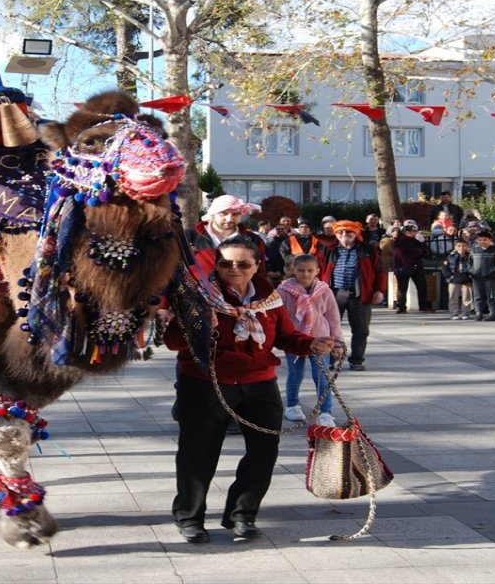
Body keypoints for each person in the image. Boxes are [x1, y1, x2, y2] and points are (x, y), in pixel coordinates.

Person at [163, 235, 333, 543]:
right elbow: (173, 341)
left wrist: (311, 343)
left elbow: (286, 336)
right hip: (206, 384)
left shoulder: (270, 297)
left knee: (264, 452)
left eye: (243, 263)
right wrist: (197, 323)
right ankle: (190, 517)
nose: (235, 269)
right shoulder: (198, 295)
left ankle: (242, 514)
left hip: (259, 383)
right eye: (226, 263)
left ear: (256, 266)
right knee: (197, 454)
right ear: (217, 265)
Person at [277, 254, 342, 426]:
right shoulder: (282, 291)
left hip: (321, 338)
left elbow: (333, 317)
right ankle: (292, 405)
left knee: (322, 374)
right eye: (301, 270)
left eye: (310, 270)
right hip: (295, 339)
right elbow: (277, 317)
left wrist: (337, 342)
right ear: (293, 270)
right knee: (295, 372)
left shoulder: (324, 291)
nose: (305, 274)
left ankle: (326, 411)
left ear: (317, 271)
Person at [317, 220, 385, 372]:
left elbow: (380, 270)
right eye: (340, 232)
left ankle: (356, 360)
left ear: (356, 233)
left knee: (361, 329)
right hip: (333, 293)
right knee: (330, 329)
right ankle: (330, 358)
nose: (344, 235)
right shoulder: (328, 249)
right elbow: (318, 270)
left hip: (360, 294)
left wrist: (379, 290)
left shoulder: (368, 250)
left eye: (348, 232)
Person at [186, 195, 267, 275]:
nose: (229, 219)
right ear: (213, 214)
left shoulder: (254, 240)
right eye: (223, 214)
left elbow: (260, 273)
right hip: (199, 287)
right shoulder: (189, 237)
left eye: (235, 214)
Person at [393, 222, 433, 313]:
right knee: (402, 288)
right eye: (413, 231)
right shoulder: (400, 241)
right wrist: (408, 263)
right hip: (404, 266)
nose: (416, 232)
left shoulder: (416, 241)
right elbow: (400, 254)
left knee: (422, 286)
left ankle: (423, 306)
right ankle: (402, 307)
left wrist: (422, 243)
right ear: (407, 231)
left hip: (417, 266)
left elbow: (426, 254)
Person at [469, 231, 495, 321]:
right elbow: (469, 263)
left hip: (491, 278)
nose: (482, 242)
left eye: (485, 240)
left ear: (490, 240)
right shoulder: (474, 250)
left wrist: (493, 271)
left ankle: (493, 313)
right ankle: (478, 313)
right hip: (477, 277)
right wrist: (472, 271)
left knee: (492, 296)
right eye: (480, 240)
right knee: (478, 296)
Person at [443, 239, 473, 320]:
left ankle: (466, 312)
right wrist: (450, 276)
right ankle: (454, 313)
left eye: (463, 246)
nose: (461, 248)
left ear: (467, 247)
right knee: (453, 296)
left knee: (467, 296)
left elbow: (474, 267)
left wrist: (470, 276)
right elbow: (445, 268)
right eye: (459, 246)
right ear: (455, 247)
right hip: (454, 279)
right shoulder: (450, 256)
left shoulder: (471, 256)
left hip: (466, 278)